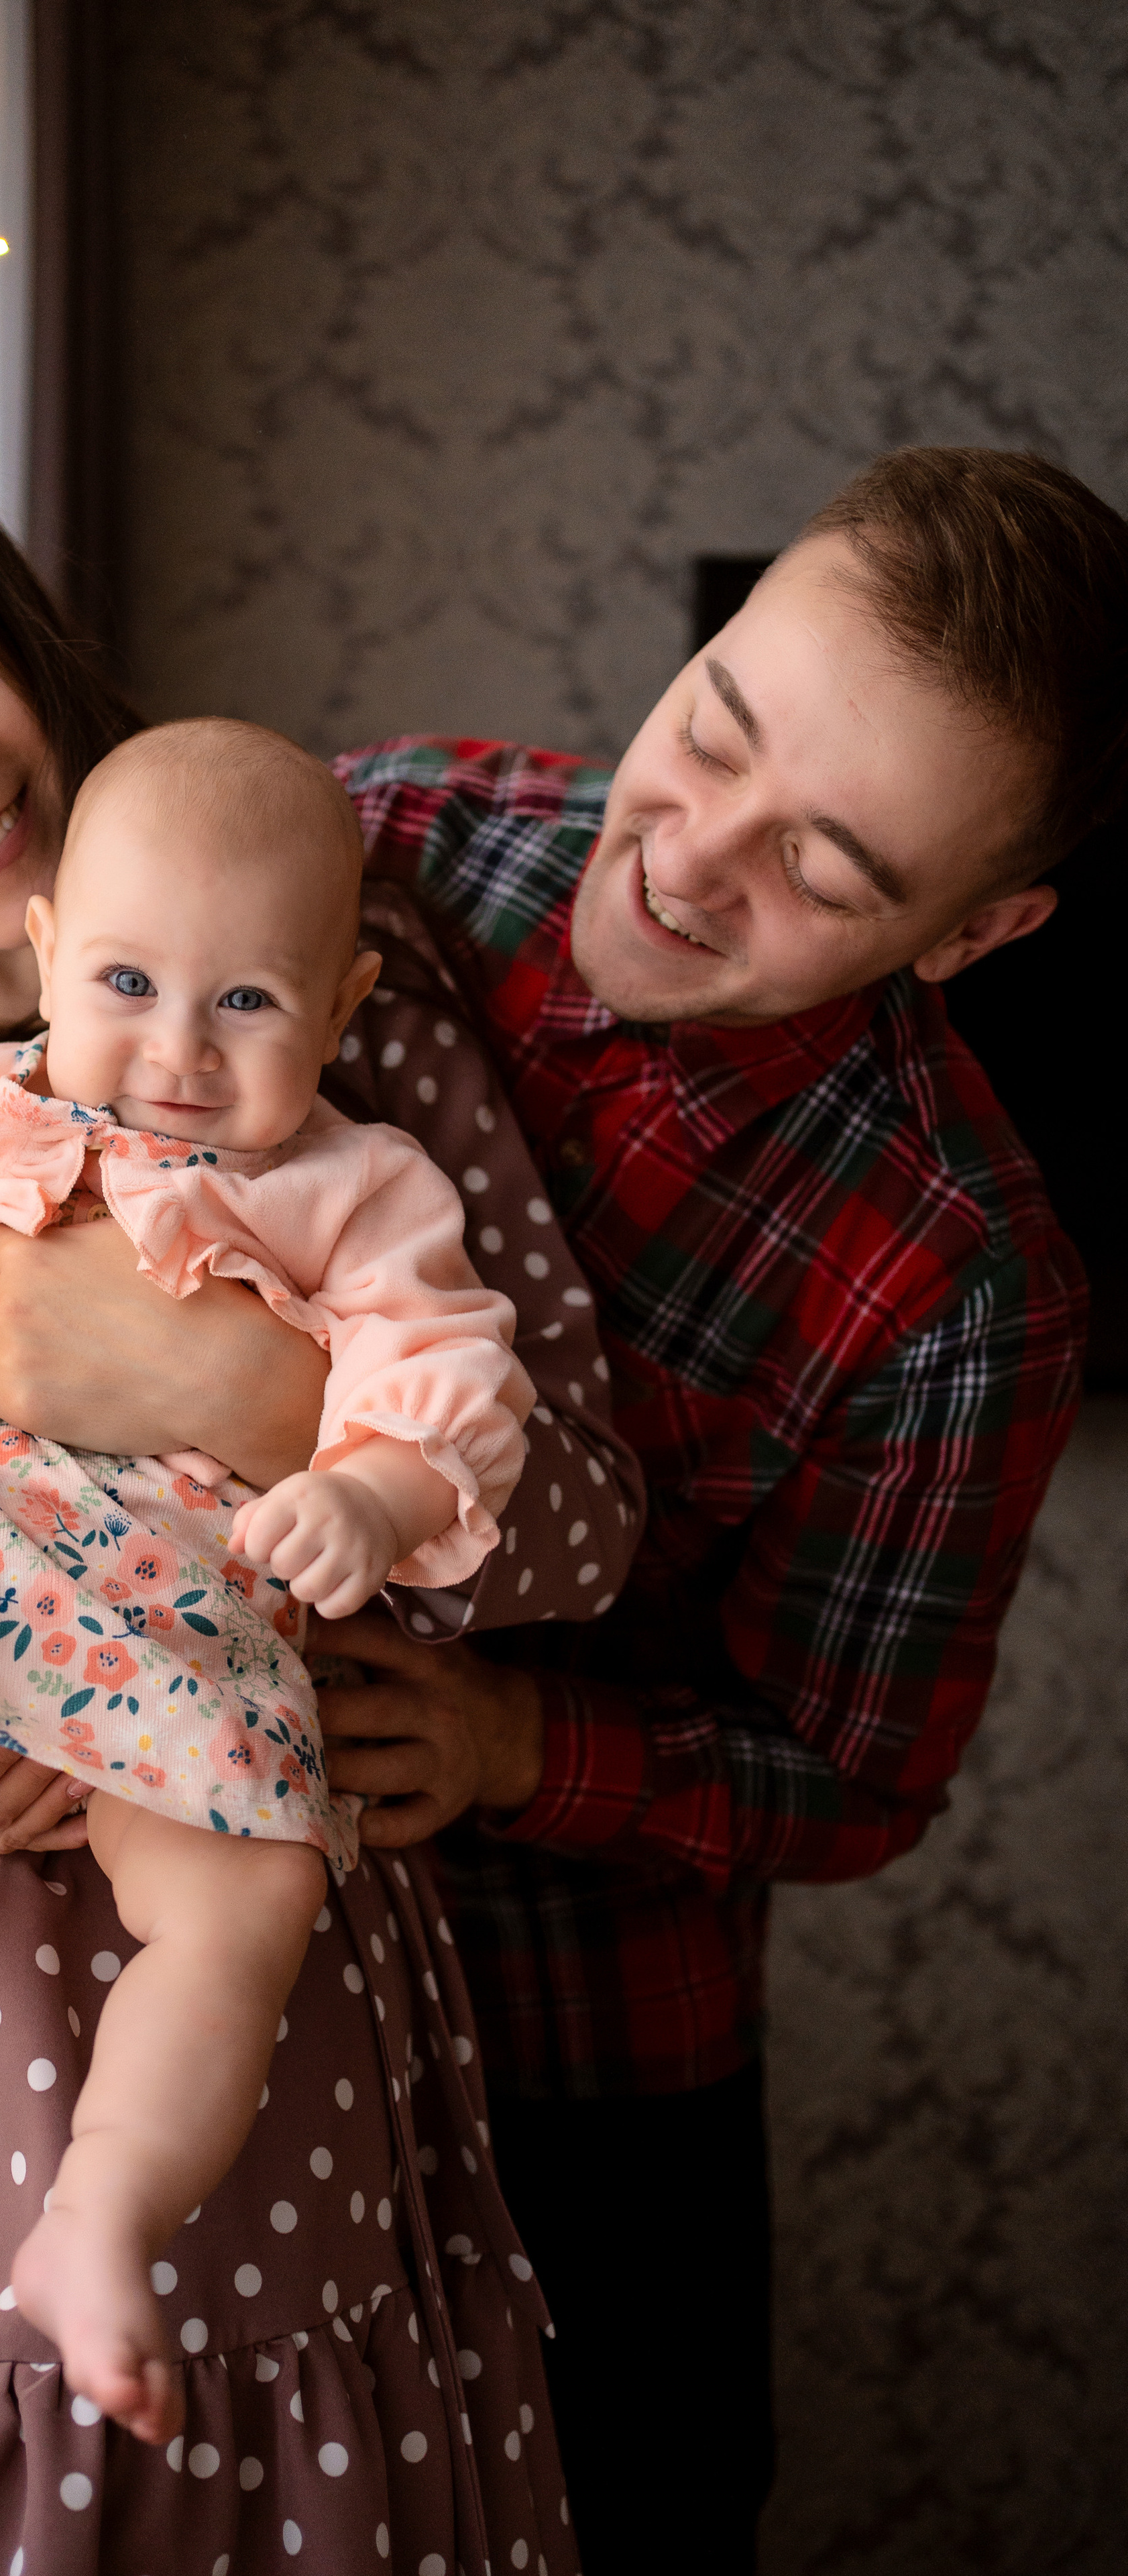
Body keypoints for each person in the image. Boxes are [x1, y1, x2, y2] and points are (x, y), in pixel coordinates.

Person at [0, 413, 642, 2575]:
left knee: (223, 2422)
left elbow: (576, 1513)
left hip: (237, 1896)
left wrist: (257, 1395)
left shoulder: (304, 972)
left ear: (12, 612)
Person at [290, 448, 1119, 2573]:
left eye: (828, 870)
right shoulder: (379, 837)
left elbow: (851, 1778)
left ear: (980, 931)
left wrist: (504, 1750)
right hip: (184, 1947)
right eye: (714, 730)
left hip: (577, 2064)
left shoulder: (965, 1279)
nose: (688, 860)